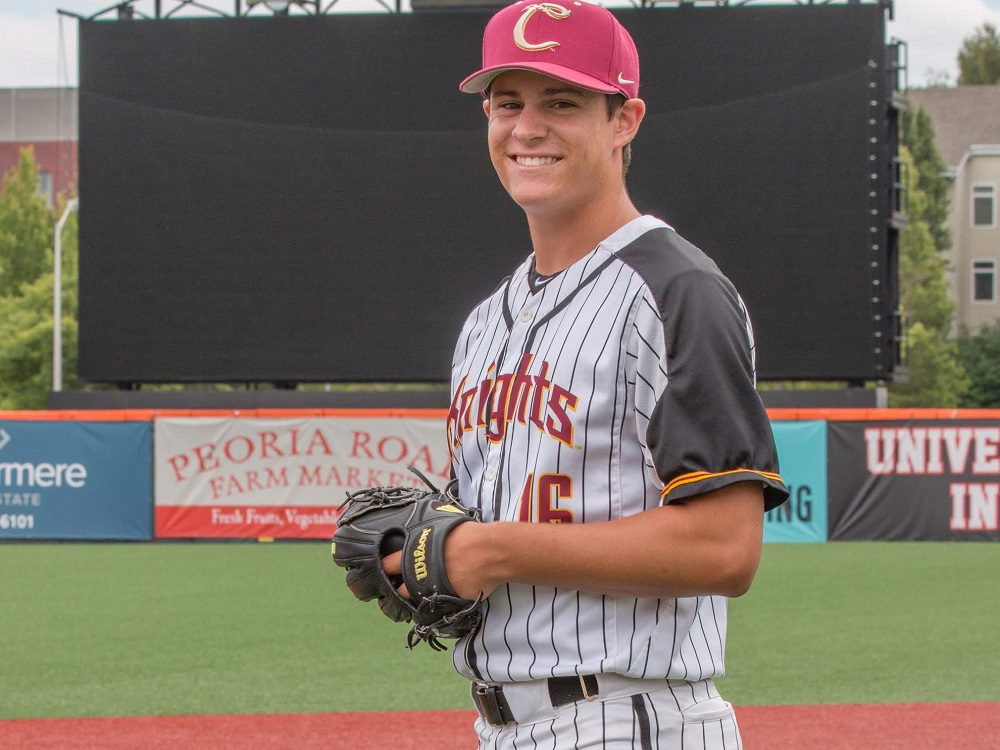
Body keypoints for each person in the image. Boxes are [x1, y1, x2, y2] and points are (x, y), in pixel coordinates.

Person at [389, 2, 789, 747]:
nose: (526, 128)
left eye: (562, 103)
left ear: (624, 120)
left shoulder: (676, 292)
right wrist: (431, 559)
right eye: (507, 103)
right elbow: (494, 535)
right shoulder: (483, 322)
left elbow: (725, 548)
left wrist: (491, 550)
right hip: (504, 722)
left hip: (631, 718)